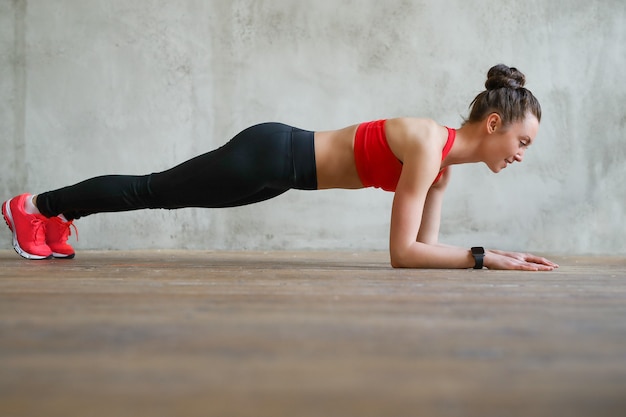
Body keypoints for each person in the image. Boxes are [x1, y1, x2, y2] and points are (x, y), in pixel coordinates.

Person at [2, 64, 559, 270]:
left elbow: (424, 255)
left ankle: (55, 218)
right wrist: (485, 258)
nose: (520, 154)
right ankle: (35, 208)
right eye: (522, 141)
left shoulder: (440, 168)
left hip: (277, 178)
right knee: (156, 190)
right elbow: (402, 254)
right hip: (270, 154)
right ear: (493, 124)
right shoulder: (424, 144)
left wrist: (488, 256)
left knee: (162, 192)